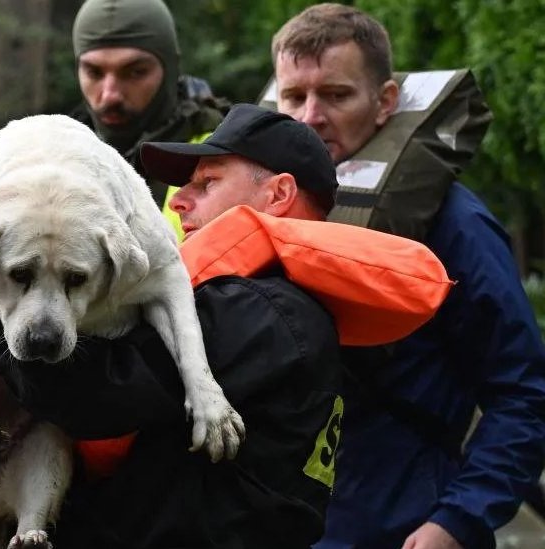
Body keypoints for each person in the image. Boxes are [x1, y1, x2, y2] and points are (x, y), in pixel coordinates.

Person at [0, 104, 451, 548]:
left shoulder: (265, 314)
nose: (176, 204)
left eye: (206, 182)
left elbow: (85, 394)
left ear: (278, 193)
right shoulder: (267, 305)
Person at [270, 4, 545, 548]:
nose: (309, 118)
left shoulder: (456, 225)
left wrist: (457, 522)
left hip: (401, 528)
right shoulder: (266, 218)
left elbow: (524, 395)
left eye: (336, 94)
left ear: (385, 102)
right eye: (293, 97)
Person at [70, 0, 229, 236]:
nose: (110, 94)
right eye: (94, 72)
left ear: (170, 69)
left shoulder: (223, 153)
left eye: (135, 72)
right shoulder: (52, 156)